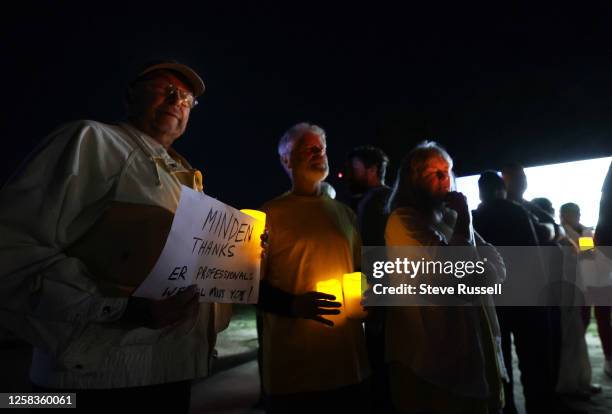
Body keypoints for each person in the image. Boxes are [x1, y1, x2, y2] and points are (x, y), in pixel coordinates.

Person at [0, 61, 232, 412]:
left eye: (186, 98)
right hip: (90, 382)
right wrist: (117, 309)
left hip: (170, 374)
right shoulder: (91, 140)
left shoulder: (182, 178)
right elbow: (12, 246)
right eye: (163, 88)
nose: (175, 100)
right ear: (131, 95)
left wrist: (240, 256)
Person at [385, 142, 506, 414]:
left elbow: (497, 268)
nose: (445, 180)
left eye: (447, 171)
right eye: (434, 173)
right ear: (413, 179)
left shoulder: (450, 216)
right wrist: (465, 222)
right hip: (435, 352)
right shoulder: (404, 221)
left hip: (473, 335)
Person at [257, 123, 370, 413]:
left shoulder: (345, 214)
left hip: (349, 364)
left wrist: (368, 293)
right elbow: (248, 286)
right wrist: (293, 304)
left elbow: (358, 270)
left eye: (322, 148)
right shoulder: (268, 215)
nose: (320, 153)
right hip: (295, 372)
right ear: (286, 160)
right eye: (309, 148)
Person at [561, 202, 612, 378]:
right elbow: (586, 253)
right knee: (580, 323)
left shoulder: (586, 231)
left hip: (598, 281)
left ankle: (609, 359)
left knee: (603, 320)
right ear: (564, 215)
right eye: (574, 213)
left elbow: (588, 254)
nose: (578, 216)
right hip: (578, 285)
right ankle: (575, 363)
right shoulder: (562, 232)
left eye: (578, 212)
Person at [345, 145, 392, 246]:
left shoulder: (375, 200)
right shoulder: (389, 197)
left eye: (355, 169)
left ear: (372, 170)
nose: (350, 175)